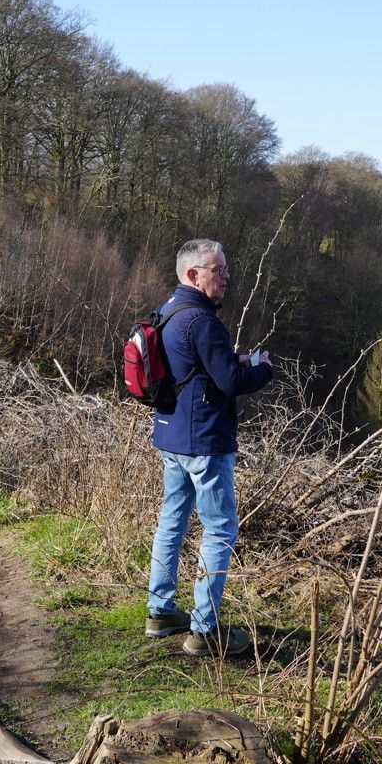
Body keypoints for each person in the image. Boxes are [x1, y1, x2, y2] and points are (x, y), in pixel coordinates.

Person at [144, 239, 273, 657]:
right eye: (218, 269)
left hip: (171, 435)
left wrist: (234, 360)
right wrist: (262, 370)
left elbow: (200, 366)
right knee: (219, 528)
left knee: (173, 521)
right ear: (193, 274)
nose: (226, 276)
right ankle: (204, 631)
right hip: (205, 441)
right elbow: (231, 383)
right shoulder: (203, 321)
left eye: (225, 268)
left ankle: (160, 611)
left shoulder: (167, 312)